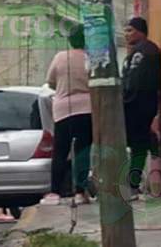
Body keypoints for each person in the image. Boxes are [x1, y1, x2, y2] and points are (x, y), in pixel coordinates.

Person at [40, 24, 93, 206]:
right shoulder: (92, 58)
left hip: (63, 110)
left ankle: (54, 192)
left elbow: (51, 82)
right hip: (87, 109)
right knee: (82, 150)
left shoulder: (60, 57)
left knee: (60, 151)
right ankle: (80, 191)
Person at [122, 17, 161, 199]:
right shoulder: (137, 51)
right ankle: (136, 182)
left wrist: (128, 100)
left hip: (139, 104)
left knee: (138, 145)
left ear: (141, 31)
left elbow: (139, 81)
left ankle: (133, 184)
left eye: (130, 30)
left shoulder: (146, 51)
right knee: (140, 143)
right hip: (135, 104)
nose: (126, 34)